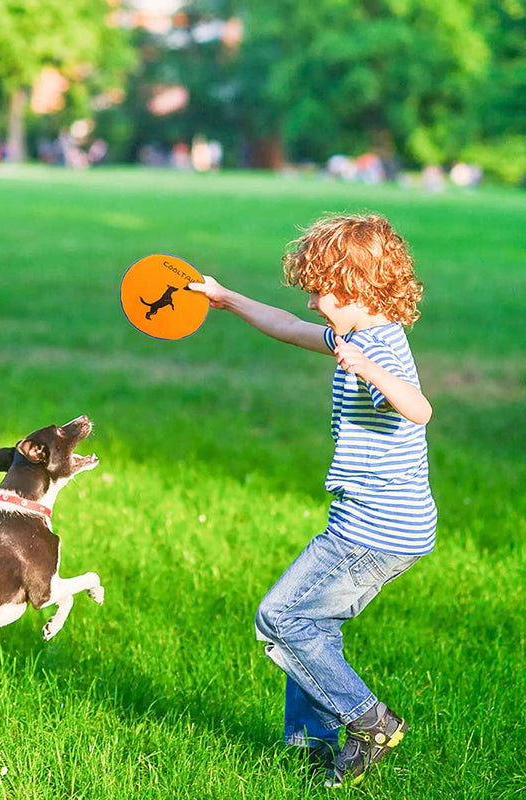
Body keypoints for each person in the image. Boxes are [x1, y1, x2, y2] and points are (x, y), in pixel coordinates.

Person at [188, 213, 437, 788]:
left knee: (281, 618)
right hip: (374, 522)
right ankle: (311, 747)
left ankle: (368, 720)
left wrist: (371, 369)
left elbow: (420, 409)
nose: (314, 303)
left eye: (326, 291)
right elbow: (285, 327)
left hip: (376, 531)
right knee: (314, 624)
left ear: (363, 291)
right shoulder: (354, 333)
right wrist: (226, 299)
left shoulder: (380, 350)